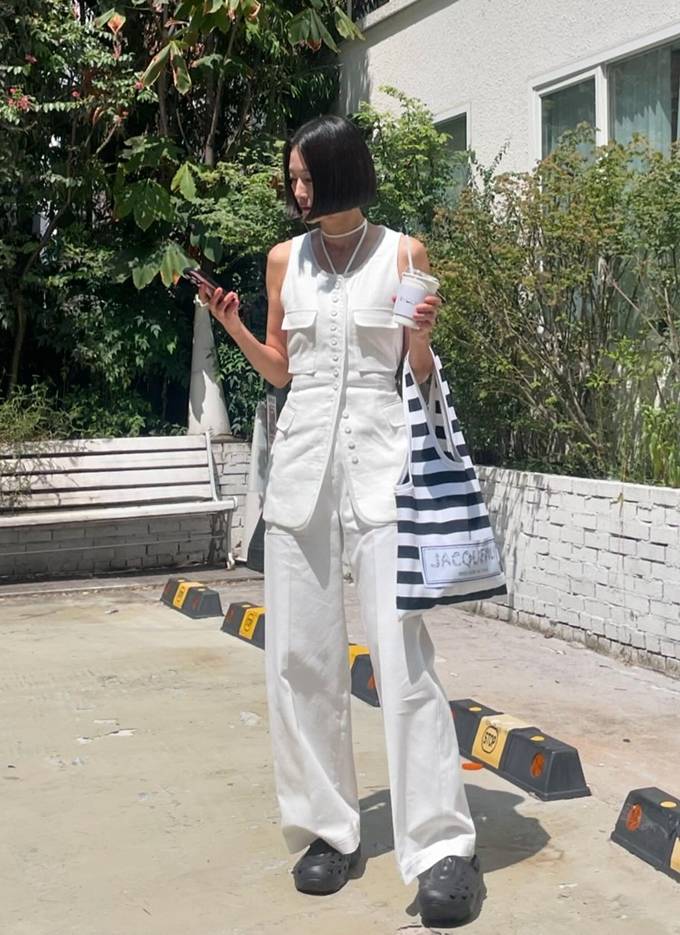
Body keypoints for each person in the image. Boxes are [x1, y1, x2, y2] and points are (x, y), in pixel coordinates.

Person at [199, 115, 483, 927]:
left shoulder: (403, 254)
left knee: (404, 659)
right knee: (301, 660)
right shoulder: (283, 260)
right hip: (300, 478)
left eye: (304, 175)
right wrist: (234, 324)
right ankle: (328, 830)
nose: (295, 190)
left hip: (384, 471)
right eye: (292, 177)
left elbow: (415, 372)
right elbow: (282, 371)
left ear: (340, 170)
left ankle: (441, 845)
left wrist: (423, 340)